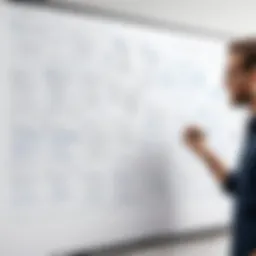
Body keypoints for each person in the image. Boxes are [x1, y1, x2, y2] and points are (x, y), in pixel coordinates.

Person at [184, 38, 256, 256]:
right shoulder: (252, 128)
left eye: (232, 73)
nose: (225, 83)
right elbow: (239, 187)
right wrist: (203, 151)